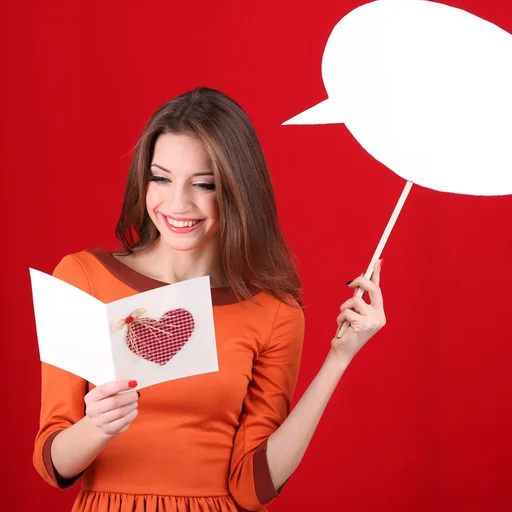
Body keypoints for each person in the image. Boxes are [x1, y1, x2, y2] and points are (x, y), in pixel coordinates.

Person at [33, 87, 386, 512]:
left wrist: (339, 359)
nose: (177, 203)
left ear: (238, 190)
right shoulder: (82, 278)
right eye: (160, 178)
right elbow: (51, 464)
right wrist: (98, 426)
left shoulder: (274, 311)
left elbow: (251, 488)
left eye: (204, 184)